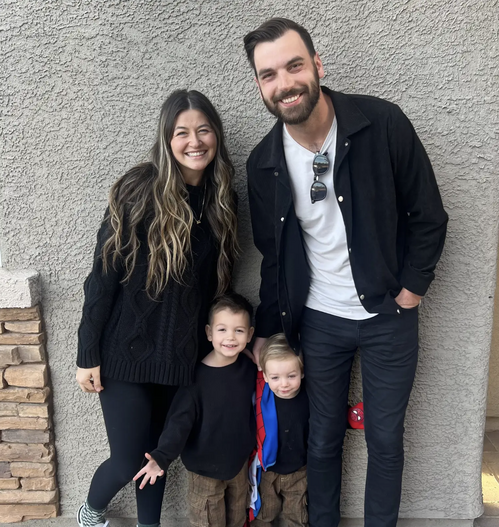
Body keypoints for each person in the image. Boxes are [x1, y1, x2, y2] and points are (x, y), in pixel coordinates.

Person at [243, 18, 448, 527]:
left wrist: (411, 291)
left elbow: (428, 215)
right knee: (323, 437)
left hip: (388, 316)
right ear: (260, 86)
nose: (284, 83)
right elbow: (274, 256)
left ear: (317, 65)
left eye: (294, 65)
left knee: (385, 439)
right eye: (269, 74)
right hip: (318, 321)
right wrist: (267, 329)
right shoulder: (264, 162)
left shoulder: (381, 123)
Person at [75, 90, 239, 527]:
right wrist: (87, 352)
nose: (194, 141)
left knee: (156, 458)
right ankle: (90, 513)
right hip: (123, 355)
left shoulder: (222, 199)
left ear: (216, 136)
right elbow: (102, 275)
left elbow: (217, 285)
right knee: (128, 459)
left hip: (180, 357)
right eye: (182, 132)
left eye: (204, 130)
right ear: (167, 139)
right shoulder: (138, 189)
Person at [133, 293, 256, 527]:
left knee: (238, 519)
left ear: (250, 335)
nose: (230, 337)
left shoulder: (249, 368)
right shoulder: (196, 381)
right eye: (222, 330)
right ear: (209, 332)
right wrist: (161, 457)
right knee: (208, 522)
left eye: (239, 330)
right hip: (204, 470)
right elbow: (178, 423)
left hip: (239, 466)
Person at [250, 333, 309, 527]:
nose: (284, 384)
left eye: (291, 376)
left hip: (299, 470)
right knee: (264, 515)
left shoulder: (309, 397)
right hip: (269, 470)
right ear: (265, 376)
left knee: (297, 516)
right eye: (275, 377)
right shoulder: (262, 399)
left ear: (302, 372)